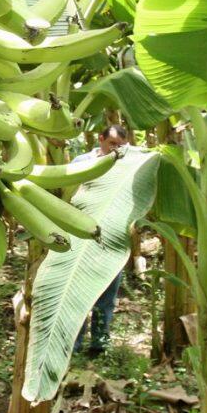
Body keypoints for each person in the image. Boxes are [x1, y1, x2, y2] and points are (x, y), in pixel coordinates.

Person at [72, 124, 128, 356]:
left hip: (111, 236)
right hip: (80, 234)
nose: (115, 149)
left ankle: (99, 344)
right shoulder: (80, 163)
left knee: (106, 295)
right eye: (112, 143)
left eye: (120, 146)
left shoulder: (125, 166)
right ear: (101, 139)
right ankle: (73, 345)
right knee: (76, 294)